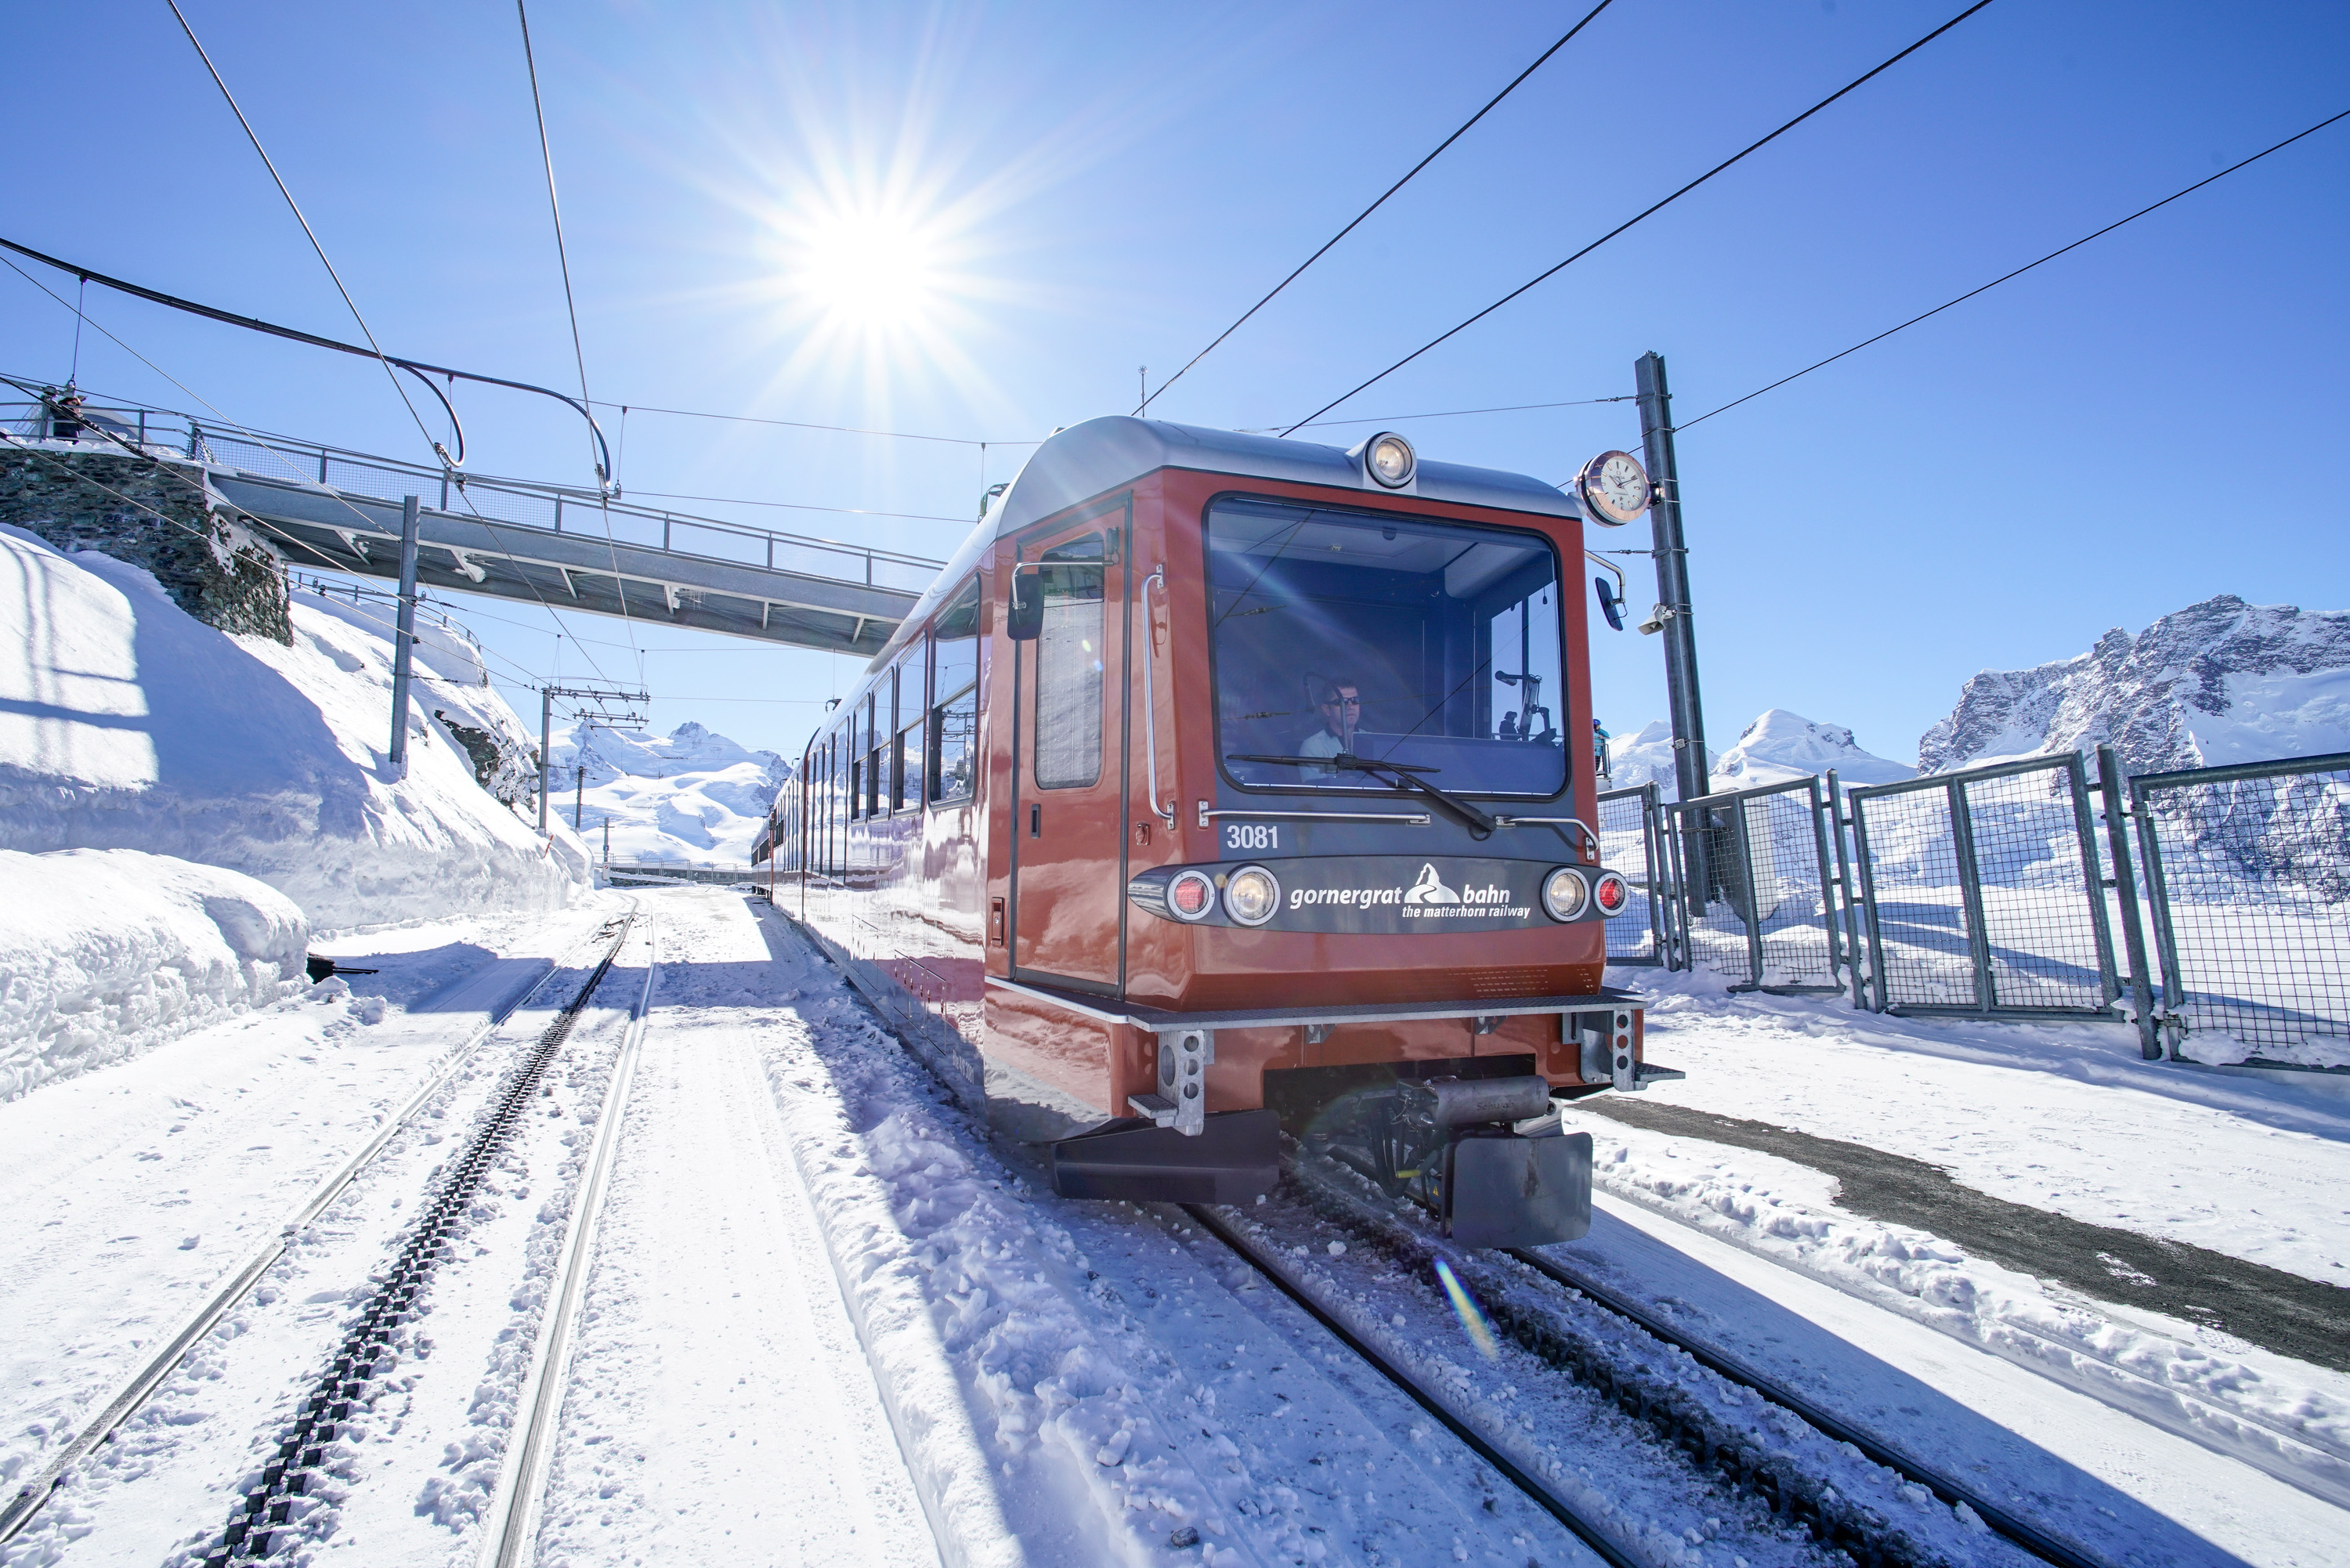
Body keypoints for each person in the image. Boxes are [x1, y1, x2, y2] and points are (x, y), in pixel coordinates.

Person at [1299, 677, 1361, 776]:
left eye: (1355, 700)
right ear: (1327, 709)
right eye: (1342, 702)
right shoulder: (1313, 747)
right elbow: (1317, 790)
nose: (1350, 706)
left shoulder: (1374, 740)